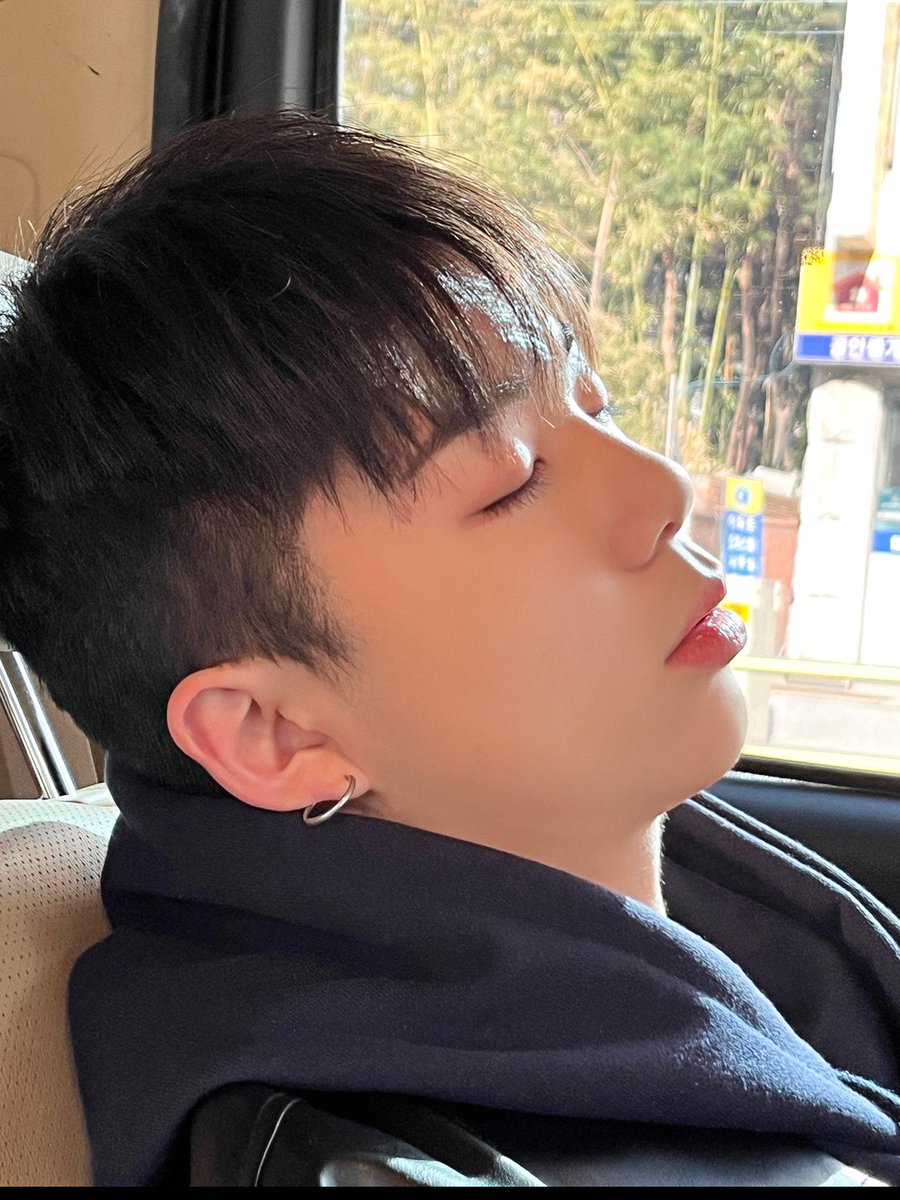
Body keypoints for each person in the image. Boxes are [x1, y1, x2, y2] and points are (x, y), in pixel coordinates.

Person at [1, 111, 899, 1188]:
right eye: (511, 481)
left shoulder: (698, 920)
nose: (661, 489)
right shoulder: (371, 1163)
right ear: (276, 732)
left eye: (596, 403)